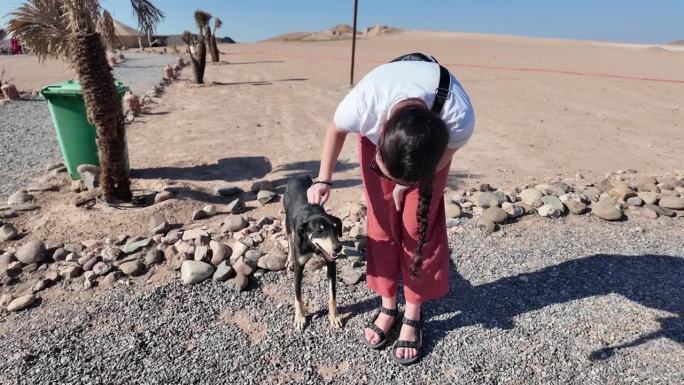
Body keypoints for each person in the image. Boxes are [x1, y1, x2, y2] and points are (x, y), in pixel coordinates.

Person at [307, 53, 475, 364]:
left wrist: (409, 182)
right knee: (381, 224)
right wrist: (324, 179)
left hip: (428, 146)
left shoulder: (459, 117)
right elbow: (335, 128)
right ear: (380, 131)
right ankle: (388, 303)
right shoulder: (364, 104)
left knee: (418, 225)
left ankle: (413, 310)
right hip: (389, 131)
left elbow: (447, 152)